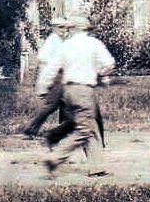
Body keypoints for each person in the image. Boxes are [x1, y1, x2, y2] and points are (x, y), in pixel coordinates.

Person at [42, 16, 115, 177]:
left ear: (73, 29)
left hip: (68, 91)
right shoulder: (93, 44)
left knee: (90, 125)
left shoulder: (66, 45)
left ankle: (97, 166)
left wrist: (44, 87)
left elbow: (52, 67)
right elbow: (109, 63)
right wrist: (101, 75)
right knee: (84, 129)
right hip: (84, 90)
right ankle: (55, 157)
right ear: (85, 29)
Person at [22, 18, 70, 139]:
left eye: (65, 27)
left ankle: (62, 131)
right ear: (54, 28)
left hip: (62, 76)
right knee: (52, 105)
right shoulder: (52, 41)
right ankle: (31, 129)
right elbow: (42, 58)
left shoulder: (62, 41)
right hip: (53, 77)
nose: (63, 30)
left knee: (64, 104)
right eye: (60, 27)